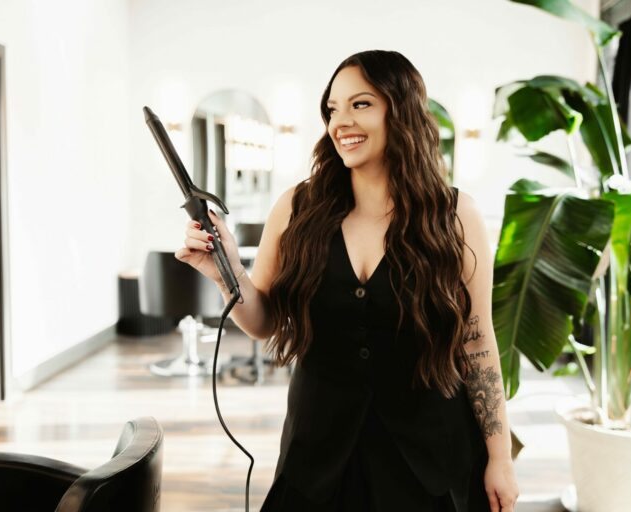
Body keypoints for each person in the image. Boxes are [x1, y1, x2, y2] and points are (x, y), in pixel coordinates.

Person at [175, 50, 519, 512]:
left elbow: (476, 341)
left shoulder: (456, 216)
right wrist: (228, 273)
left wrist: (500, 457)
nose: (341, 122)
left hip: (429, 459)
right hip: (318, 454)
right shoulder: (297, 208)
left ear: (402, 110)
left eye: (361, 104)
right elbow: (263, 322)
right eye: (333, 109)